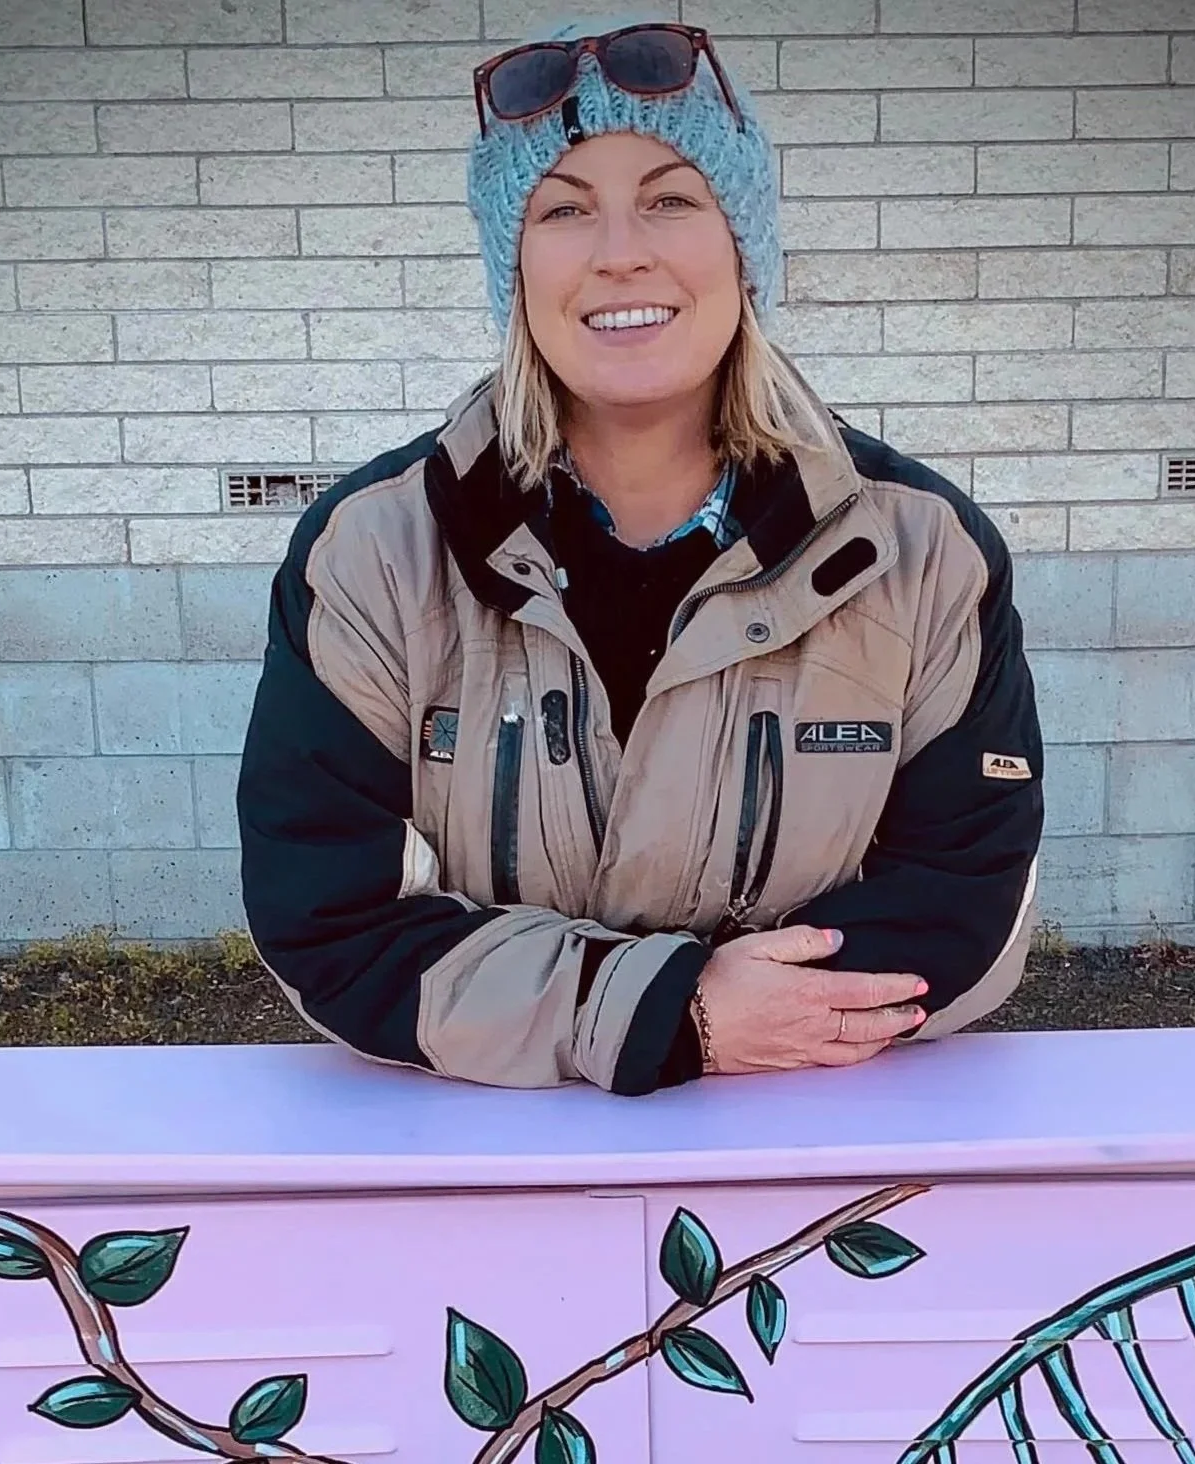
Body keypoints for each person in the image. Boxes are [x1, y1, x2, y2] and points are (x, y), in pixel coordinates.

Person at [237, 17, 1044, 1095]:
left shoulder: (921, 554)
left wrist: (744, 1018)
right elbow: (330, 922)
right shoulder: (375, 554)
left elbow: (964, 899)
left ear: (744, 248)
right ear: (514, 266)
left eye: (671, 198)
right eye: (565, 209)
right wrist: (678, 1014)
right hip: (490, 1170)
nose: (622, 250)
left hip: (807, 1151)